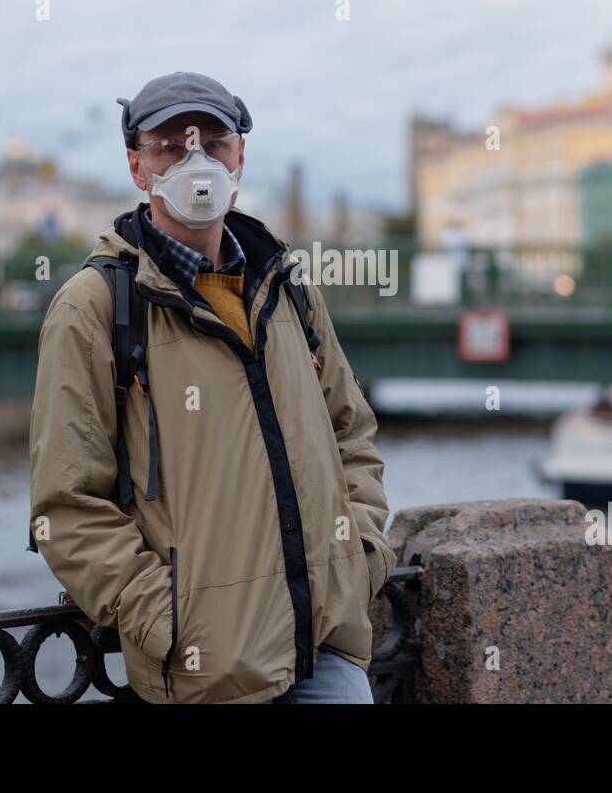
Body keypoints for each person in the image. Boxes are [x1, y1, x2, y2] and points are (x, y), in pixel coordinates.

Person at [29, 71, 395, 704]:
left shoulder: (290, 287)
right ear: (138, 167)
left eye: (214, 142)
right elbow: (66, 506)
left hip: (325, 650)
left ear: (241, 157)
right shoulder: (93, 307)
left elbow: (351, 433)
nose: (195, 161)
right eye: (171, 146)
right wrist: (164, 618)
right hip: (208, 670)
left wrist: (357, 558)